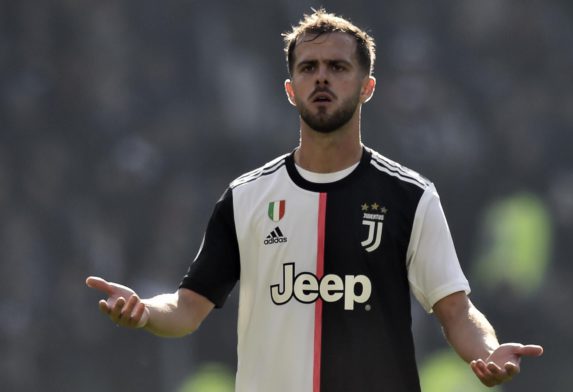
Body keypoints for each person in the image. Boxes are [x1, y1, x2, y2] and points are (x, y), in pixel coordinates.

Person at [86, 9, 543, 391]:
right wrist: (146, 311)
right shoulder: (246, 197)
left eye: (338, 67)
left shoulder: (410, 197)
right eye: (308, 68)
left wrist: (487, 350)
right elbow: (187, 309)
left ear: (367, 87)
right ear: (290, 91)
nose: (321, 78)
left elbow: (456, 311)